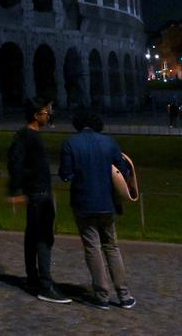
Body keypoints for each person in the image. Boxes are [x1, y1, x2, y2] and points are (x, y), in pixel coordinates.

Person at [59, 111, 136, 310]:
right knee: (112, 246)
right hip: (106, 202)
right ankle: (124, 294)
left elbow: (65, 174)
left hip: (83, 202)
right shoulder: (109, 142)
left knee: (92, 247)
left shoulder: (70, 143)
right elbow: (124, 170)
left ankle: (101, 294)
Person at [7, 99, 70, 304]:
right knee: (43, 237)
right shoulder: (25, 136)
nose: (48, 115)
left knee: (33, 236)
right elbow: (15, 162)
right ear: (36, 116)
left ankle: (33, 278)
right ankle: (45, 284)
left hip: (39, 191)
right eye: (45, 112)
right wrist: (15, 189)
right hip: (38, 193)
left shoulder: (30, 136)